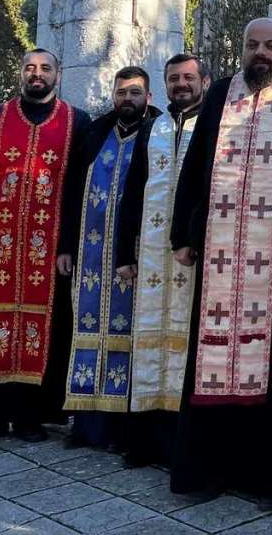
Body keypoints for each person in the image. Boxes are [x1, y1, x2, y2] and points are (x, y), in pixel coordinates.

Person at [169, 17, 272, 503]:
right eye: (251, 44)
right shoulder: (220, 94)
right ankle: (209, 471)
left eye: (271, 45)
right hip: (222, 258)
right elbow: (195, 166)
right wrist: (184, 234)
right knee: (214, 361)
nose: (260, 53)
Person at [0, 48, 91, 449]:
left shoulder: (76, 121)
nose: (37, 74)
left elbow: (78, 186)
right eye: (30, 68)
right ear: (22, 74)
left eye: (45, 68)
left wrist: (65, 244)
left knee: (44, 328)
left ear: (57, 75)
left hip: (48, 252)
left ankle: (32, 416)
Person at [115, 53, 210, 467]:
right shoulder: (154, 126)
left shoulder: (213, 124)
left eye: (189, 77)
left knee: (188, 346)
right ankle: (144, 441)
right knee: (148, 340)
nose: (181, 84)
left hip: (191, 254)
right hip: (152, 255)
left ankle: (180, 444)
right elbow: (133, 189)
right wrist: (123, 252)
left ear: (204, 81)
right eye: (174, 79)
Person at [60, 65, 159, 450]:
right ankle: (84, 425)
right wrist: (65, 246)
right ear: (113, 96)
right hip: (88, 256)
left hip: (132, 257)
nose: (128, 99)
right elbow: (71, 193)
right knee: (85, 331)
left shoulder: (159, 133)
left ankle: (120, 429)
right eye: (122, 93)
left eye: (135, 93)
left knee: (127, 334)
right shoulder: (95, 132)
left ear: (148, 97)